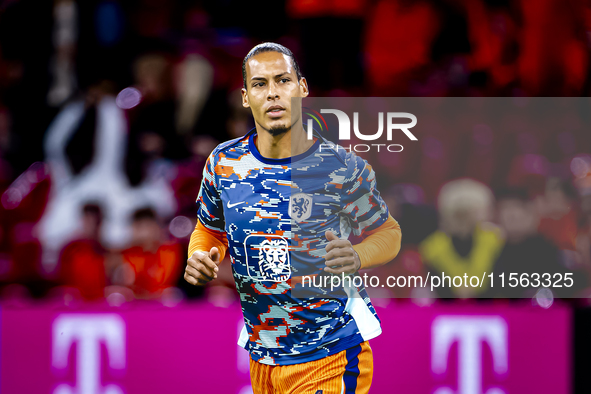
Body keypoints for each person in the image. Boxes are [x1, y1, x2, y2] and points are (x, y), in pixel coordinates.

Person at [184, 43, 401, 394]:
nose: (272, 93)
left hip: (331, 349)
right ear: (245, 97)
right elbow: (209, 229)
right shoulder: (223, 162)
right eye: (259, 84)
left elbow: (388, 232)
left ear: (302, 88)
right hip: (264, 355)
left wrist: (359, 255)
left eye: (282, 80)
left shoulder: (342, 168)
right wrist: (200, 255)